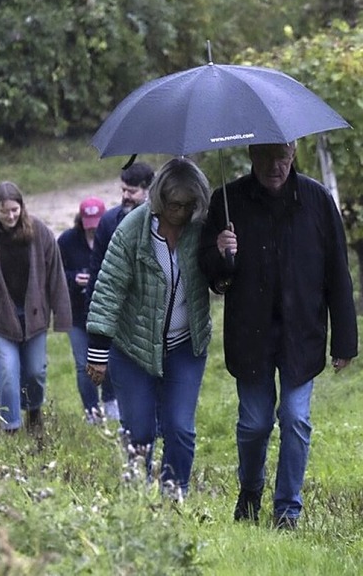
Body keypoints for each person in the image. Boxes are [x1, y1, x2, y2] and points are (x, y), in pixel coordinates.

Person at [199, 142, 358, 529]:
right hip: (250, 333)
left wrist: (345, 342)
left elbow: (338, 272)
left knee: (295, 418)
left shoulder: (317, 200)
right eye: (267, 157)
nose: (276, 166)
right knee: (254, 424)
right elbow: (211, 275)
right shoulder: (227, 200)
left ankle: (287, 509)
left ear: (293, 155)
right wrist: (221, 252)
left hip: (301, 333)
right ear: (252, 155)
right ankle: (250, 491)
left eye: (283, 158)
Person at [86, 158, 212, 498]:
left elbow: (221, 281)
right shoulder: (132, 230)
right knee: (139, 429)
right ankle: (138, 498)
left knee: (179, 428)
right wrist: (97, 353)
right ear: (159, 199)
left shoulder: (203, 228)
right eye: (174, 205)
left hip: (185, 345)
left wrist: (228, 256)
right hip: (133, 347)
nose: (181, 213)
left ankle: (175, 496)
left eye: (189, 206)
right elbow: (108, 289)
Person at [0, 181, 72, 433]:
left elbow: (56, 275)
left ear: (22, 207)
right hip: (2, 319)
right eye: (4, 211)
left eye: (15, 209)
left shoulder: (39, 233)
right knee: (8, 374)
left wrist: (63, 316)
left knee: (35, 371)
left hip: (35, 317)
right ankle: (10, 426)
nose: (11, 216)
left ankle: (34, 413)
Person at [85, 161, 155, 422]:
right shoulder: (108, 222)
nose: (125, 195)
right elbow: (97, 272)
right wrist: (93, 315)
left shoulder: (162, 222)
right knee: (127, 383)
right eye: (123, 190)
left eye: (132, 191)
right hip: (119, 315)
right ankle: (132, 430)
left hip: (151, 314)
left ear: (148, 191)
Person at [58, 197, 117, 423]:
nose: (92, 228)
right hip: (75, 313)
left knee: (108, 359)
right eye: (88, 223)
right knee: (84, 364)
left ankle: (111, 401)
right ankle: (91, 411)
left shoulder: (112, 237)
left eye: (96, 223)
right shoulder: (66, 241)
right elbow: (54, 274)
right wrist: (73, 278)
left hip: (105, 311)